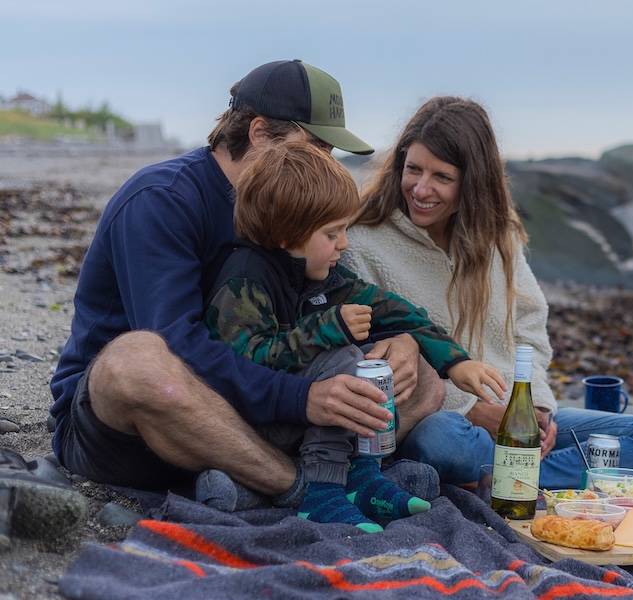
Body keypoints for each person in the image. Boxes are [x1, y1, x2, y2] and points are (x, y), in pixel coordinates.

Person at [48, 60, 445, 512]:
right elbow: (177, 346)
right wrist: (302, 399)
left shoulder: (297, 204)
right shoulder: (160, 200)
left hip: (254, 411)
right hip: (136, 430)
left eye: (330, 151)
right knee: (135, 360)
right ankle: (298, 486)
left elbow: (326, 302)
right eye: (316, 145)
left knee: (424, 379)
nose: (324, 161)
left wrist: (400, 343)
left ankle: (279, 482)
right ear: (258, 133)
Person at [341, 96, 633, 490]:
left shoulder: (498, 237)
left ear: (472, 180)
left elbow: (529, 328)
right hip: (440, 422)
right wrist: (471, 410)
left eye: (442, 177)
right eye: (413, 169)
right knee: (444, 442)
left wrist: (535, 406)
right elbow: (374, 360)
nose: (421, 189)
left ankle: (507, 476)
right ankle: (525, 473)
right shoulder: (363, 243)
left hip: (511, 414)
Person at [204, 140, 506, 530]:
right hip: (256, 425)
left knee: (375, 360)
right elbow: (245, 364)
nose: (343, 244)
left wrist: (456, 361)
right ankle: (324, 494)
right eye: (332, 234)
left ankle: (363, 478)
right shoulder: (246, 279)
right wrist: (323, 328)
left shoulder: (324, 277)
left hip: (304, 426)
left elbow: (397, 311)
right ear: (285, 234)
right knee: (347, 359)